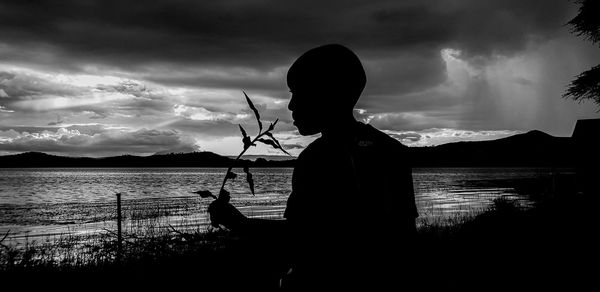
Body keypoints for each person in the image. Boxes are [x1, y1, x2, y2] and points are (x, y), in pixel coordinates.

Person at [209, 44, 418, 290]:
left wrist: (239, 223)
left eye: (299, 92)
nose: (291, 105)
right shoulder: (391, 151)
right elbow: (404, 242)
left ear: (328, 93)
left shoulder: (317, 158)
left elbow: (303, 239)